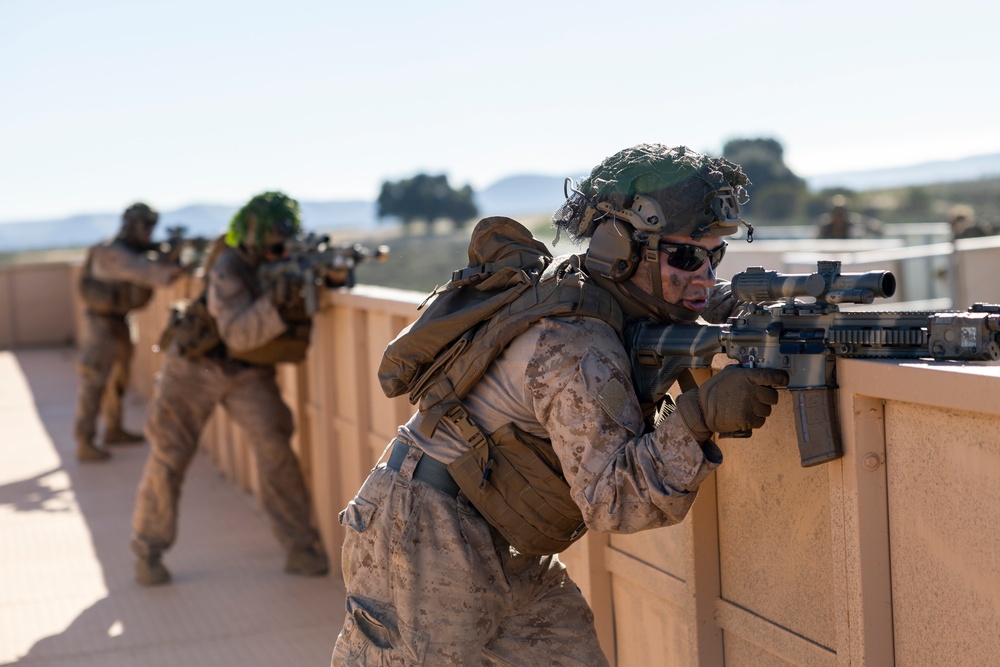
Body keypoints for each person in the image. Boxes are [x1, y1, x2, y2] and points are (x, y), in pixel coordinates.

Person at [331, 144, 789, 665]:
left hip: (508, 540)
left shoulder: (605, 292)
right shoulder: (572, 342)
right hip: (421, 536)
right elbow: (612, 499)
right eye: (685, 256)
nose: (704, 275)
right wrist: (698, 418)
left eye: (714, 256)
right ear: (622, 247)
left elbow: (686, 305)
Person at [130, 191, 328, 586]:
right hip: (193, 367)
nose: (278, 251)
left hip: (248, 373)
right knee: (169, 455)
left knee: (275, 449)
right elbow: (236, 333)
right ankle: (148, 550)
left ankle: (300, 547)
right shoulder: (229, 266)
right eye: (272, 244)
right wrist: (277, 298)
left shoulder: (283, 260)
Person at [74, 202, 184, 462]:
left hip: (120, 321)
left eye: (152, 225)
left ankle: (113, 429)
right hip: (101, 324)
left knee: (118, 381)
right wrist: (172, 262)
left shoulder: (133, 250)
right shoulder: (110, 251)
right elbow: (147, 272)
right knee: (95, 381)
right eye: (145, 225)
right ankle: (84, 440)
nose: (149, 231)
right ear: (131, 225)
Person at [815, 194, 884, 239]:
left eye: (841, 212)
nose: (838, 216)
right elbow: (817, 239)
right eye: (836, 212)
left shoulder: (854, 221)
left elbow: (877, 228)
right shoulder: (825, 225)